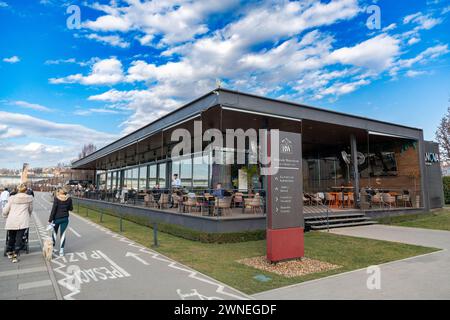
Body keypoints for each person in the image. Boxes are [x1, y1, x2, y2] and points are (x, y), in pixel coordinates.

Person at [2, 184, 33, 263]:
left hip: (12, 220)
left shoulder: (11, 199)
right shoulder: (29, 199)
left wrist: (4, 215)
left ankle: (9, 251)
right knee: (19, 238)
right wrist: (28, 215)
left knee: (11, 237)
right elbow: (30, 210)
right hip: (22, 221)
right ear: (26, 190)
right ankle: (15, 255)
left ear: (18, 190)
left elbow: (6, 210)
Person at [48, 187, 73, 257]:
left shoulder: (56, 198)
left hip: (56, 219)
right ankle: (61, 250)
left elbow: (54, 210)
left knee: (54, 233)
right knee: (63, 234)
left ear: (59, 192)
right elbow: (71, 208)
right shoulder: (69, 198)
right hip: (65, 218)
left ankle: (52, 248)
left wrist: (50, 219)